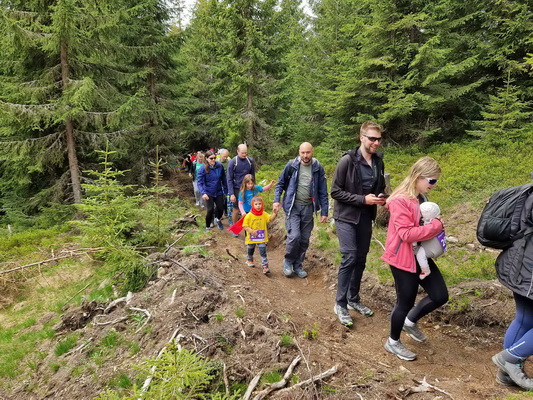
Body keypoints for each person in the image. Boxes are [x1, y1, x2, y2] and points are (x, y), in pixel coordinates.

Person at [381, 157, 447, 361]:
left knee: (440, 295)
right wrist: (436, 226)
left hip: (419, 255)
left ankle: (410, 322)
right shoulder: (400, 200)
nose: (433, 185)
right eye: (431, 180)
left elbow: (422, 224)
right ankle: (392, 342)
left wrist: (434, 224)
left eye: (435, 181)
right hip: (402, 258)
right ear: (418, 177)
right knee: (405, 302)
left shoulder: (421, 197)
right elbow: (406, 234)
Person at [331, 121, 386, 327]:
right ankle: (340, 304)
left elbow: (380, 187)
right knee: (350, 256)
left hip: (365, 216)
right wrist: (362, 199)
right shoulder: (347, 161)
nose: (376, 143)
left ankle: (353, 299)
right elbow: (335, 192)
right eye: (372, 139)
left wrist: (382, 197)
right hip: (345, 216)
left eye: (378, 139)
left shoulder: (378, 162)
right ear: (362, 138)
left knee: (361, 258)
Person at [491, 187, 533, 390]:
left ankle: (507, 372)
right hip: (529, 269)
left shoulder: (529, 193)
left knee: (525, 319)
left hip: (520, 264)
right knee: (525, 319)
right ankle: (510, 358)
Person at [273, 142, 328, 278]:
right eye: (303, 152)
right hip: (293, 206)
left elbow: (323, 191)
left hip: (309, 207)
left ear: (312, 151)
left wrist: (324, 212)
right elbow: (280, 184)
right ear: (299, 152)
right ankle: (288, 261)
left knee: (304, 239)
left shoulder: (317, 167)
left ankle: (298, 265)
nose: (305, 155)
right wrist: (276, 200)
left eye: (308, 152)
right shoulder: (291, 165)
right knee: (294, 236)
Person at [242, 196, 279, 274]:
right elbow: (245, 226)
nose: (258, 206)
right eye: (256, 204)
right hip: (251, 237)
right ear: (253, 205)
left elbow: (270, 219)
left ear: (262, 204)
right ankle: (249, 260)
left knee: (263, 250)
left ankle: (265, 266)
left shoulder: (264, 214)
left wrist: (275, 214)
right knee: (250, 249)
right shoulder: (249, 215)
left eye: (260, 204)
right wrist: (251, 231)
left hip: (261, 237)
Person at [227, 144, 256, 236]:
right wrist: (231, 193)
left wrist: (254, 189)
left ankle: (250, 228)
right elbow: (229, 179)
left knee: (250, 208)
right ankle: (235, 228)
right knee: (236, 208)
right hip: (237, 188)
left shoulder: (250, 161)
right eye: (242, 153)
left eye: (246, 153)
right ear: (237, 151)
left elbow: (253, 176)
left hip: (248, 188)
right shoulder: (233, 162)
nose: (244, 155)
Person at [197, 150, 228, 232]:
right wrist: (203, 193)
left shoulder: (219, 166)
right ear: (206, 159)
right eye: (211, 158)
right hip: (208, 192)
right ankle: (207, 226)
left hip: (218, 191)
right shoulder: (202, 169)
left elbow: (224, 179)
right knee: (210, 210)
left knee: (221, 208)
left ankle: (218, 219)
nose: (213, 160)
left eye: (214, 158)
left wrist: (226, 191)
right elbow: (199, 183)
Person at [416, 202, 446, 280]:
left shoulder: (427, 225)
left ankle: (425, 270)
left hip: (431, 249)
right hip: (439, 245)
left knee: (419, 254)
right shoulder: (438, 222)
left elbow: (418, 235)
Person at [218, 149, 232, 224]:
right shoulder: (217, 162)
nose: (225, 158)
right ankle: (221, 213)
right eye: (224, 156)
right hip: (219, 182)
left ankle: (226, 211)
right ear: (221, 155)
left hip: (227, 182)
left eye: (226, 156)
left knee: (227, 197)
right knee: (221, 198)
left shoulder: (229, 161)